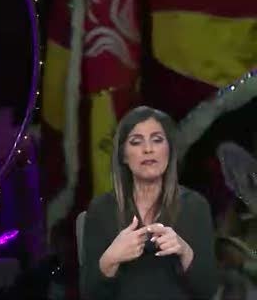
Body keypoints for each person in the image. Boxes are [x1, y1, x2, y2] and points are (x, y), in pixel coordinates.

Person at [80, 105, 219, 299]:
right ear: (123, 156)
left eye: (157, 140)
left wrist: (184, 251)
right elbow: (89, 293)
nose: (148, 149)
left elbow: (208, 289)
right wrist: (111, 258)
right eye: (136, 142)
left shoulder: (195, 206)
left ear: (169, 151)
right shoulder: (102, 209)